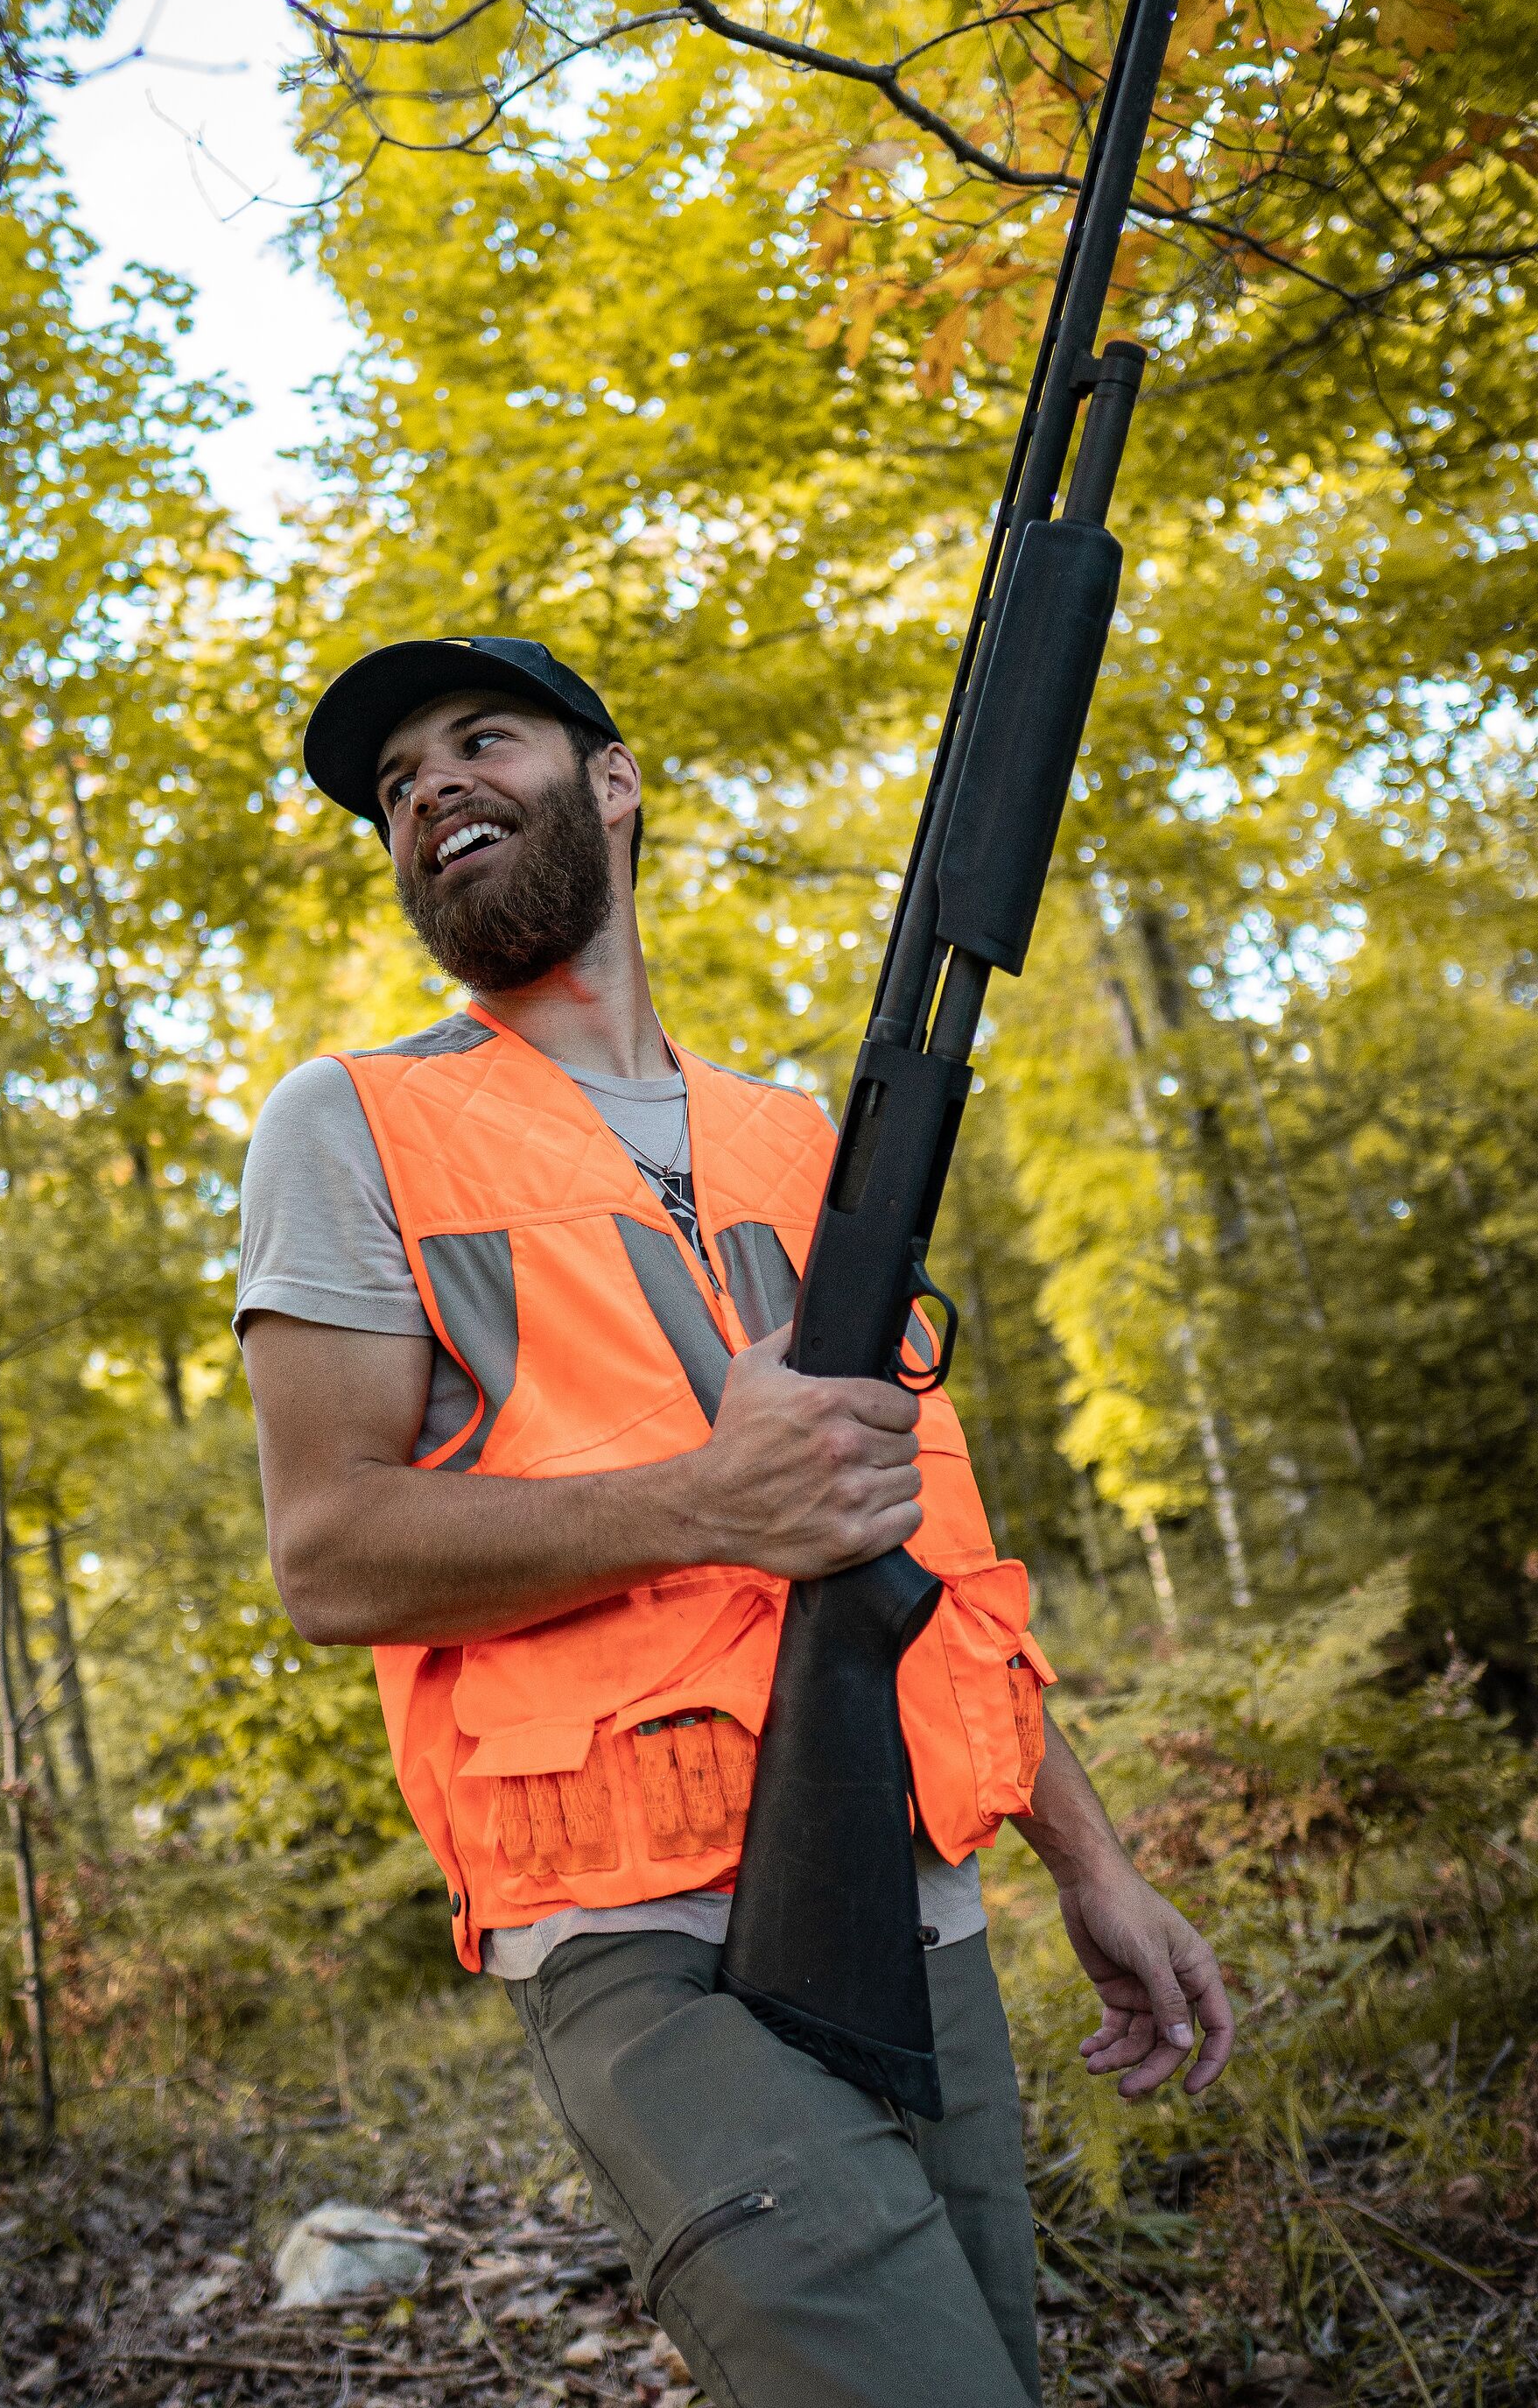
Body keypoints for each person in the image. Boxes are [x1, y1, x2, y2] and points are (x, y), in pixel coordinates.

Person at [236, 634, 1234, 2408]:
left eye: (487, 741)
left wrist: (1090, 1859)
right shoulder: (355, 1122)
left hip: (917, 1900)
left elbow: (925, 1557)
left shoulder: (800, 1141)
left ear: (613, 784)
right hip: (634, 1932)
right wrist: (704, 1498)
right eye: (396, 787)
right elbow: (328, 1551)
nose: (433, 790)